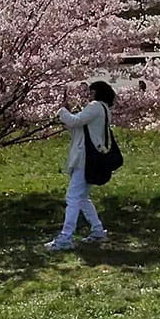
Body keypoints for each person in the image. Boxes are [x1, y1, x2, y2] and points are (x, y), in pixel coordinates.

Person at [46, 79, 116, 252]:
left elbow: (75, 121)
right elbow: (81, 127)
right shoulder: (105, 109)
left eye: (92, 92)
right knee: (82, 198)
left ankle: (65, 237)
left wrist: (62, 110)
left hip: (85, 158)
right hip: (93, 157)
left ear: (98, 93)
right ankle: (97, 230)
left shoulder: (94, 107)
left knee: (73, 197)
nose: (89, 95)